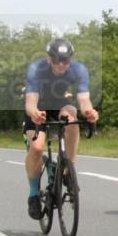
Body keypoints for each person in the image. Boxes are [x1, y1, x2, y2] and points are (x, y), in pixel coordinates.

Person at [23, 38, 99, 219]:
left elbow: (83, 99)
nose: (61, 64)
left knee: (71, 118)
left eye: (66, 60)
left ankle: (69, 167)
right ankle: (33, 194)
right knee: (37, 148)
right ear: (49, 58)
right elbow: (30, 102)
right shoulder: (36, 69)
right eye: (57, 60)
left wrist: (89, 112)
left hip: (60, 104)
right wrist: (34, 113)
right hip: (39, 106)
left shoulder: (79, 69)